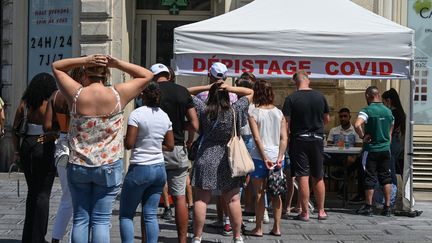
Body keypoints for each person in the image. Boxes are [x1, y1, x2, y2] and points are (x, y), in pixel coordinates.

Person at [52, 55, 153, 243]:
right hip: (108, 165)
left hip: (79, 164)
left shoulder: (76, 94)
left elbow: (57, 67)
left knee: (81, 219)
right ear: (106, 74)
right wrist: (117, 63)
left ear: (84, 73)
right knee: (101, 220)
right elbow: (147, 75)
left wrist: (85, 59)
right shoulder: (117, 94)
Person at [188, 80, 253, 243]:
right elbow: (250, 92)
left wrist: (207, 87)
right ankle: (237, 237)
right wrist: (230, 88)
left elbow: (186, 92)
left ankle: (197, 237)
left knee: (201, 199)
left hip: (206, 155)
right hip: (228, 157)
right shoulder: (235, 110)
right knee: (233, 199)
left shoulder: (203, 110)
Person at [120, 82, 174, 243]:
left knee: (126, 215)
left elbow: (129, 144)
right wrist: (154, 144)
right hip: (158, 168)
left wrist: (131, 141)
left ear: (143, 96)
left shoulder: (137, 114)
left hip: (140, 168)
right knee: (150, 214)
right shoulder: (164, 115)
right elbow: (170, 145)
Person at [151, 63, 199, 243]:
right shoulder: (182, 91)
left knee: (151, 197)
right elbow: (194, 124)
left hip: (155, 148)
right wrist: (182, 129)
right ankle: (182, 240)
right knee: (180, 197)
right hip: (177, 147)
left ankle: (148, 239)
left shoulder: (151, 91)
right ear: (169, 76)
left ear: (153, 77)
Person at [12, 73, 58, 243]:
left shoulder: (24, 104)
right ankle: (38, 237)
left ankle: (28, 236)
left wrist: (17, 152)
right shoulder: (50, 104)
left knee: (32, 191)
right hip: (44, 145)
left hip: (26, 147)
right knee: (43, 194)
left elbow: (15, 130)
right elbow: (55, 128)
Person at [282, 70, 330, 221]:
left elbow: (286, 122)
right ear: (308, 80)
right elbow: (327, 119)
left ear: (296, 82)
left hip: (299, 139)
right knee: (318, 175)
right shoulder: (320, 97)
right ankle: (321, 211)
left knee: (303, 176)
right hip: (317, 138)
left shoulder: (291, 98)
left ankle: (305, 212)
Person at [44, 67, 84, 243]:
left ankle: (55, 238)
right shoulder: (80, 95)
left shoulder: (56, 95)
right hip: (79, 145)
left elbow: (46, 126)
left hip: (61, 145)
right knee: (80, 199)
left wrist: (60, 130)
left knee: (67, 196)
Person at [244, 80, 287, 237]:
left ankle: (259, 228)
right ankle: (277, 227)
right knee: (276, 193)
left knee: (260, 194)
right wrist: (280, 157)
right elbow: (284, 138)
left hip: (259, 157)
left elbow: (256, 138)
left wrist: (264, 157)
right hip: (277, 158)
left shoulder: (254, 113)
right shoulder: (279, 113)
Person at [354, 86, 394, 217]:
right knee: (385, 177)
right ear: (379, 95)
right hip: (385, 149)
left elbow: (357, 124)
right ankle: (387, 207)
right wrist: (388, 139)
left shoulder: (367, 110)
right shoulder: (388, 111)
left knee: (369, 177)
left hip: (371, 149)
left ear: (367, 96)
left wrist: (362, 136)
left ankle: (368, 206)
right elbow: (391, 127)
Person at [326, 107, 364, 203]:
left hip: (351, 156)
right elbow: (328, 145)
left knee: (356, 161)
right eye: (341, 116)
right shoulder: (334, 130)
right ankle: (342, 177)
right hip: (336, 156)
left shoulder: (355, 130)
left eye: (345, 116)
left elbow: (359, 146)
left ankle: (341, 175)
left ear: (349, 117)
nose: (343, 118)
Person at [382, 88, 406, 184]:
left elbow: (388, 129)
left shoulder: (393, 113)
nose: (383, 105)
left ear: (389, 101)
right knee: (391, 167)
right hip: (397, 143)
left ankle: (392, 194)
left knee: (390, 169)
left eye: (383, 103)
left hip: (393, 143)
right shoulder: (400, 112)